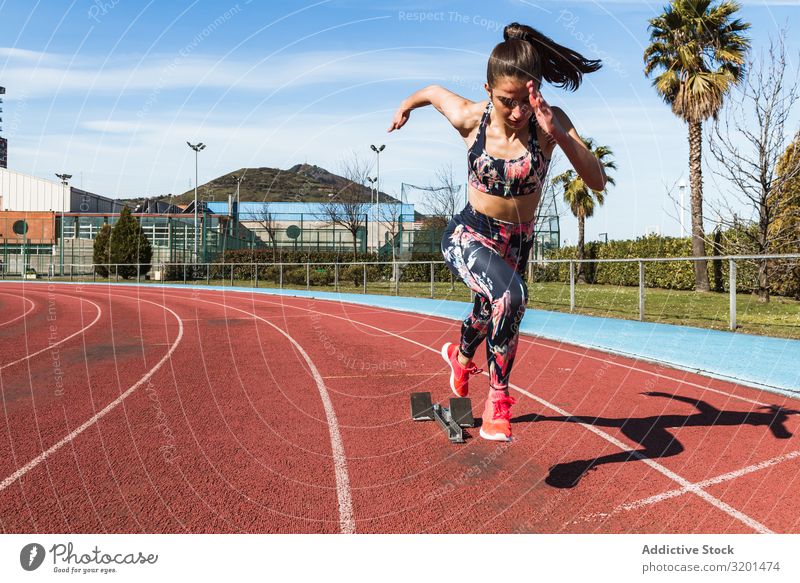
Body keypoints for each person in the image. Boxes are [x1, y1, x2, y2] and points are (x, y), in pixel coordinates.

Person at [388, 23, 606, 441]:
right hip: (469, 234)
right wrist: (405, 105)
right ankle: (498, 402)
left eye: (526, 100)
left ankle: (460, 355)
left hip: (516, 242)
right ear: (488, 90)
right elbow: (433, 92)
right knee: (511, 296)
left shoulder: (549, 124)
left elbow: (596, 179)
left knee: (488, 311)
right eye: (508, 101)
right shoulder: (471, 118)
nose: (519, 112)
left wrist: (558, 133)